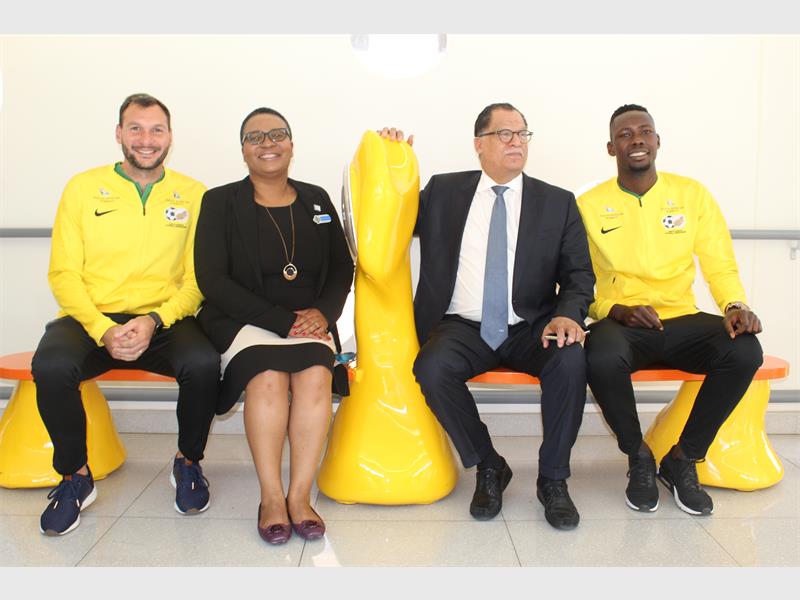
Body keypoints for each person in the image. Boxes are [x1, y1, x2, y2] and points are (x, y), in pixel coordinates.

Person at [382, 102, 595, 530]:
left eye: (522, 133)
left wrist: (568, 315)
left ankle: (553, 479)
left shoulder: (557, 202)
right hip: (462, 325)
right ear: (479, 144)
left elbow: (579, 275)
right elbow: (392, 215)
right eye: (504, 133)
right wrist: (391, 164)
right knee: (432, 368)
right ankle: (488, 464)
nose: (516, 142)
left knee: (570, 360)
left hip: (532, 325)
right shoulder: (444, 192)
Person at [31, 93, 220, 536]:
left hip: (163, 319)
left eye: (156, 129)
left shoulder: (195, 194)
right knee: (51, 367)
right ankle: (75, 476)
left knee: (203, 364)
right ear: (119, 133)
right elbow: (63, 273)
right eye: (135, 128)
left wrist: (154, 320)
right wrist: (102, 328)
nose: (146, 139)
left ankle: (188, 462)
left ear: (170, 137)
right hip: (90, 318)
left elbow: (197, 280)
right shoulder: (82, 188)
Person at [577, 104, 763, 516]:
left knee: (745, 349)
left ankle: (683, 458)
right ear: (611, 148)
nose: (637, 140)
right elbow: (574, 282)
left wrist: (735, 305)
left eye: (645, 131)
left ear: (658, 141)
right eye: (625, 134)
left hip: (681, 318)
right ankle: (638, 457)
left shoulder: (692, 195)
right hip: (623, 324)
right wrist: (614, 309)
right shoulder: (588, 204)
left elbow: (719, 263)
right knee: (600, 355)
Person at [194, 108, 354, 545]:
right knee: (267, 377)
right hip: (243, 319)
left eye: (277, 134)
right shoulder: (219, 202)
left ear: (291, 144)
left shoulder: (316, 199)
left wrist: (324, 313)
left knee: (316, 376)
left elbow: (342, 266)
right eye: (255, 137)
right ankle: (270, 497)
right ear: (243, 150)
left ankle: (299, 497)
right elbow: (212, 279)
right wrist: (283, 322)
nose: (268, 143)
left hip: (309, 320)